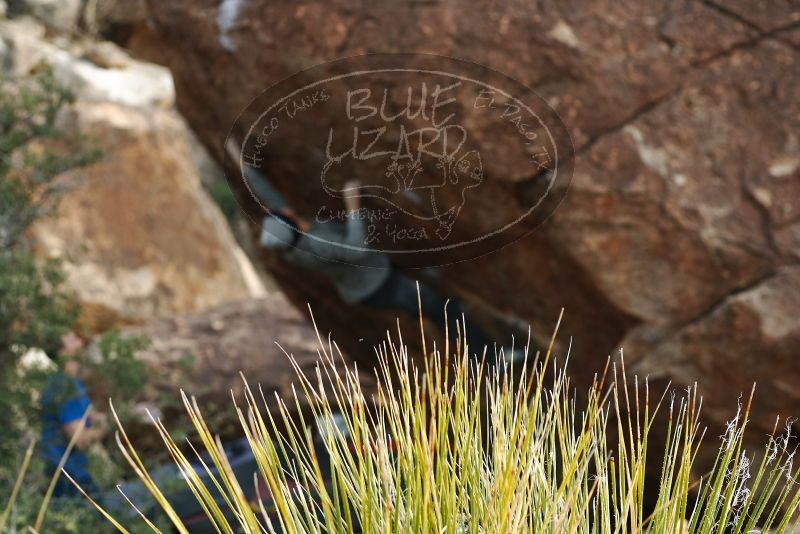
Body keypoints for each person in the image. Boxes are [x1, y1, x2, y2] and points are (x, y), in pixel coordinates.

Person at [226, 139, 496, 361]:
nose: (284, 209)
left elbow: (269, 197)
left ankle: (477, 353)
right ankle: (490, 359)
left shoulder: (293, 237)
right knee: (442, 309)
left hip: (374, 279)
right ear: (294, 228)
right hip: (378, 286)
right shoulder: (315, 247)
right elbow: (356, 250)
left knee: (436, 306)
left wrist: (241, 162)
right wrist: (353, 206)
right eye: (284, 214)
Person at [40, 331, 107, 499]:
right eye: (72, 339)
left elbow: (84, 416)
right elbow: (81, 441)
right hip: (69, 476)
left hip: (70, 472)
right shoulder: (63, 386)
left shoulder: (70, 382)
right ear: (62, 351)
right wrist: (108, 422)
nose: (80, 341)